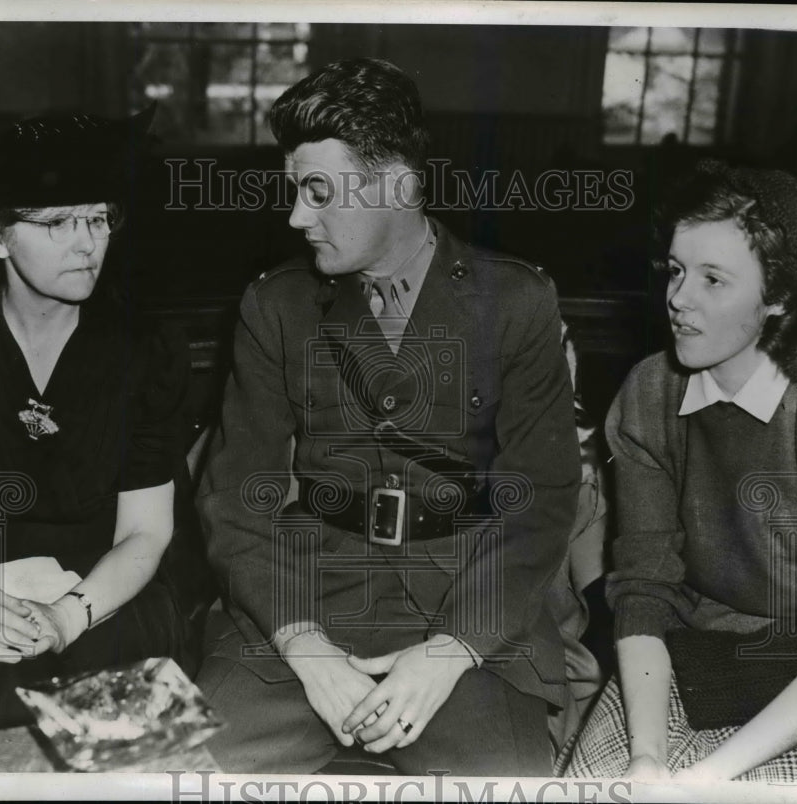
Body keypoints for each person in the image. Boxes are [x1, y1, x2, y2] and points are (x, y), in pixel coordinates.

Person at [195, 58, 581, 776]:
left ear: (397, 186)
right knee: (178, 772)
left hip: (466, 604)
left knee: (505, 785)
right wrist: (305, 647)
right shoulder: (275, 306)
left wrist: (451, 651)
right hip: (302, 601)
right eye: (294, 191)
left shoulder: (517, 303)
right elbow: (234, 495)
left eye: (318, 192)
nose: (296, 217)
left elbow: (542, 501)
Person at [0, 107, 193, 740]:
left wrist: (66, 618)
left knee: (106, 736)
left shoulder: (147, 349)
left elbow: (144, 535)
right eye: (59, 221)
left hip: (106, 596)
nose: (88, 242)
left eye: (98, 218)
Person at [559, 161, 797, 781]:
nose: (679, 298)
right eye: (676, 270)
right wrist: (646, 760)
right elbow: (642, 592)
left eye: (713, 280)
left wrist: (699, 781)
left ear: (781, 297)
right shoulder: (649, 392)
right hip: (685, 657)